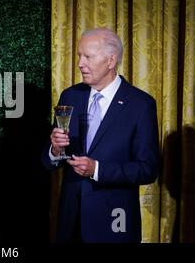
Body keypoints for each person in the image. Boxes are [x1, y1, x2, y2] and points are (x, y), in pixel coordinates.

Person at [43, 28, 159, 243]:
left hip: (114, 222)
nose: (80, 63)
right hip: (71, 220)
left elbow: (147, 169)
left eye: (88, 56)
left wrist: (97, 169)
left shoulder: (141, 105)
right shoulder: (70, 95)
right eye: (79, 55)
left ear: (110, 60)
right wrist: (55, 150)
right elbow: (49, 160)